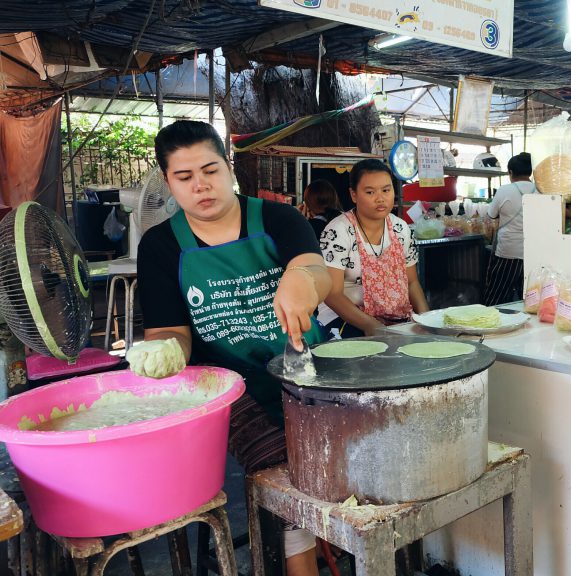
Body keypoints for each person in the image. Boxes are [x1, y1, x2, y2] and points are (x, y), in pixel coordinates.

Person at [136, 120, 329, 576]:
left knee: (352, 441)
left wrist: (303, 280)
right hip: (229, 388)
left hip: (308, 368)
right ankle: (301, 560)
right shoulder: (160, 246)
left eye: (210, 170)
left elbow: (315, 268)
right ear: (169, 181)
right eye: (184, 177)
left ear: (229, 167)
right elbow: (171, 332)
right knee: (283, 467)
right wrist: (163, 356)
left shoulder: (278, 219)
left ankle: (345, 537)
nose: (200, 185)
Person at [318, 159, 429, 337]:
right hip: (345, 318)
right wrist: (371, 325)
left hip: (394, 319)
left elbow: (412, 282)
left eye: (386, 190)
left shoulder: (401, 229)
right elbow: (332, 294)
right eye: (370, 192)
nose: (380, 198)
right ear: (353, 195)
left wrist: (426, 320)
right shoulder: (338, 231)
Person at [483, 152, 535, 306]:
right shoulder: (540, 190)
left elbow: (491, 216)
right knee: (528, 299)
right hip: (532, 254)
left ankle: (491, 325)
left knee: (497, 296)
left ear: (511, 172)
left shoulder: (504, 190)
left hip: (507, 253)